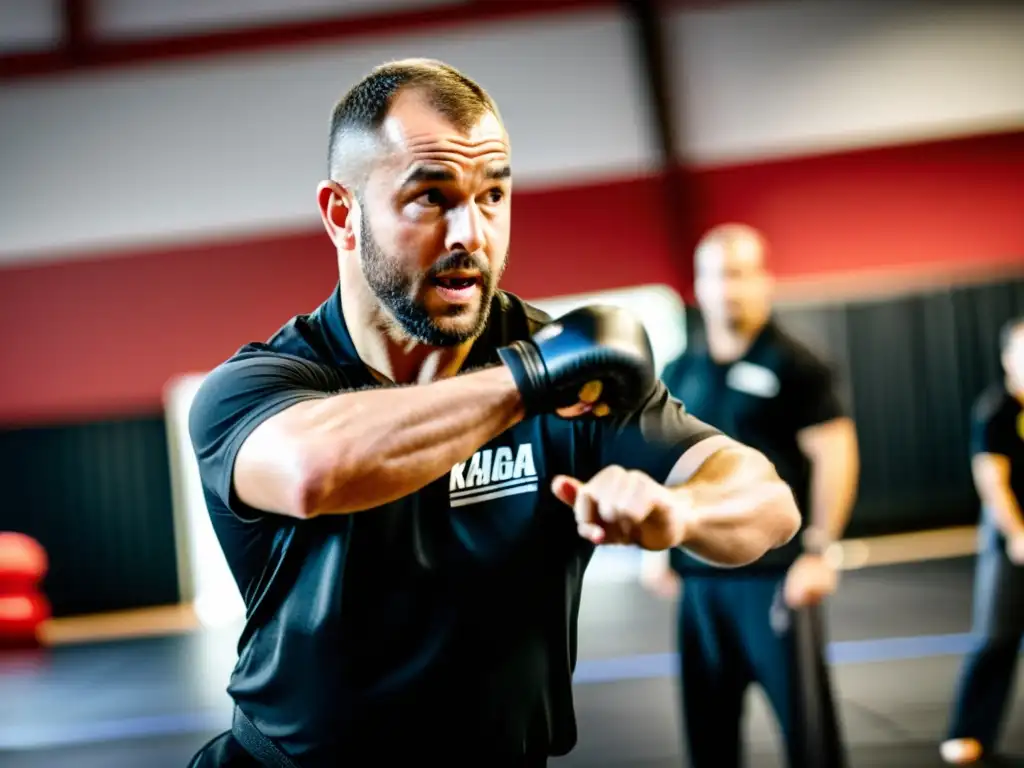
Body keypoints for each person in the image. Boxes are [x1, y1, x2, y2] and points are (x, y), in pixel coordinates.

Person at [185, 61, 802, 767]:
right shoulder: (258, 387)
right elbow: (316, 471)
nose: (471, 234)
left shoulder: (574, 371)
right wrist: (532, 378)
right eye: (431, 198)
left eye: (492, 195)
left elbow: (768, 505)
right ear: (341, 214)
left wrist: (680, 515)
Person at [641, 224, 860, 768]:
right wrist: (657, 550)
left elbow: (835, 454)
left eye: (739, 274)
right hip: (699, 580)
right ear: (699, 285)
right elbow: (662, 460)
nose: (728, 288)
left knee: (807, 733)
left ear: (763, 281)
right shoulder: (680, 371)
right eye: (716, 275)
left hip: (776, 575)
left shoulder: (795, 363)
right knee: (708, 733)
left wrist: (819, 550)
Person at [940, 317, 1024, 765]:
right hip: (1011, 541)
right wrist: (1016, 532)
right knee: (995, 638)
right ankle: (969, 733)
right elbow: (993, 480)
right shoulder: (998, 411)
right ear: (1009, 360)